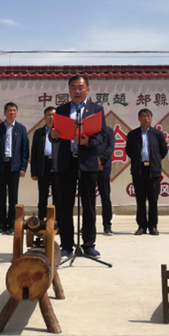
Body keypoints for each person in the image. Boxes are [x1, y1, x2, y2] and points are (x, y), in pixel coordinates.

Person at [50, 74, 108, 259]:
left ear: (87, 90)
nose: (76, 91)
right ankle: (67, 245)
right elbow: (55, 137)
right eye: (73, 87)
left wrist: (88, 140)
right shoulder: (61, 110)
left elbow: (103, 137)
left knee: (89, 205)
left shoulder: (96, 110)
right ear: (69, 90)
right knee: (65, 205)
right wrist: (53, 134)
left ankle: (89, 244)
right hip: (67, 163)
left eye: (80, 87)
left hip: (88, 162)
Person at [125, 109, 168, 236]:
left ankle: (153, 226)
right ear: (139, 119)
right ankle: (141, 226)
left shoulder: (158, 134)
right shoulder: (133, 134)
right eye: (143, 116)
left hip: (153, 170)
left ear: (151, 118)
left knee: (153, 200)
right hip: (138, 170)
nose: (146, 119)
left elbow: (164, 150)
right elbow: (129, 151)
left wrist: (155, 159)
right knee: (140, 199)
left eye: (148, 116)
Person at [0, 102, 29, 235]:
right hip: (0, 165)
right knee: (0, 197)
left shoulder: (21, 129)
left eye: (14, 110)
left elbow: (25, 150)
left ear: (17, 112)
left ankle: (12, 225)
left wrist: (23, 167)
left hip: (14, 166)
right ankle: (1, 226)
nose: (12, 113)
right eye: (9, 110)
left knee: (13, 197)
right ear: (4, 113)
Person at [30, 106, 60, 221]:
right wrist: (34, 171)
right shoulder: (39, 133)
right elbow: (34, 153)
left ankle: (56, 221)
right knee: (43, 195)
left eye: (53, 115)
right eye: (49, 115)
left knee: (57, 196)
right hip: (43, 166)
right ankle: (41, 220)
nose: (51, 117)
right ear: (44, 117)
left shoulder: (60, 132)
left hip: (56, 166)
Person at [98, 125, 116, 235]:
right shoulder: (88, 128)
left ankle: (107, 225)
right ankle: (87, 226)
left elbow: (110, 147)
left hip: (104, 167)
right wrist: (94, 161)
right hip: (89, 166)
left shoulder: (109, 130)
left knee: (105, 198)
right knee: (87, 199)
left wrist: (100, 160)